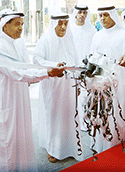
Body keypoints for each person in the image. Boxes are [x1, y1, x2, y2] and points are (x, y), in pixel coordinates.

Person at [0, 10, 65, 172]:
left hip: (19, 96)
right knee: (7, 140)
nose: (20, 28)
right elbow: (16, 72)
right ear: (5, 25)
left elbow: (26, 67)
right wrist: (47, 73)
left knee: (20, 137)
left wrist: (48, 68)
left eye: (22, 24)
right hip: (5, 100)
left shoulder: (16, 42)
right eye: (16, 24)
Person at [89, 5, 125, 152]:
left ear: (112, 15)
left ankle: (118, 146)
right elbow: (91, 56)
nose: (103, 18)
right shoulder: (97, 36)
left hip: (120, 83)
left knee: (118, 112)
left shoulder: (124, 34)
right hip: (100, 84)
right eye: (100, 15)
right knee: (101, 113)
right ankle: (101, 148)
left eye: (106, 15)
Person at [34, 14, 82, 163]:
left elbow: (76, 61)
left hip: (69, 86)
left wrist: (79, 82)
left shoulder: (69, 39)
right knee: (53, 118)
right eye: (60, 23)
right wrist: (54, 65)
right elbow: (37, 60)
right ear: (53, 23)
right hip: (52, 87)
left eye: (66, 24)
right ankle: (53, 149)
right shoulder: (45, 40)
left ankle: (69, 148)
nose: (63, 27)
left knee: (68, 116)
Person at [70, 4, 96, 131]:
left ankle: (85, 122)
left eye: (84, 13)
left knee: (86, 97)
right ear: (75, 13)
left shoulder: (92, 30)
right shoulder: (69, 29)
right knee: (72, 97)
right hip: (72, 67)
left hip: (87, 68)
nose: (82, 15)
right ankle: (73, 122)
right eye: (80, 12)